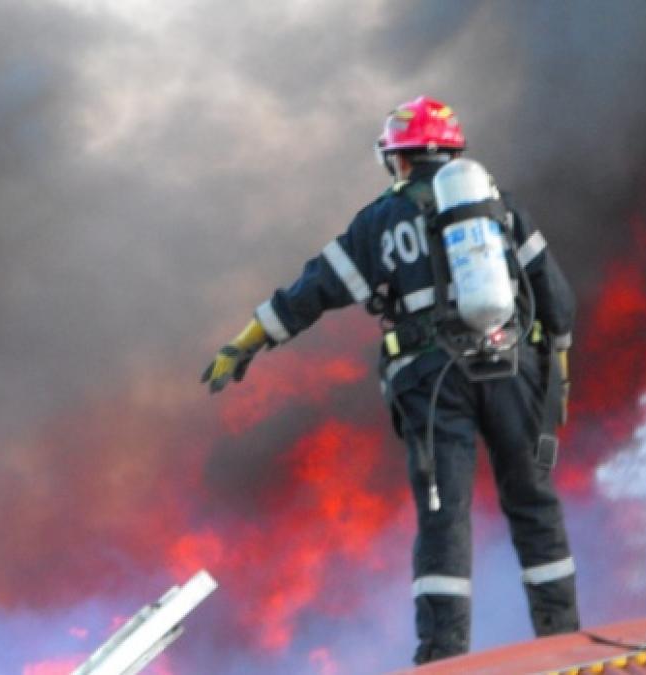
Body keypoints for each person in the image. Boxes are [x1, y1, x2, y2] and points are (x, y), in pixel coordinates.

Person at [201, 96, 580, 664]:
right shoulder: (497, 205)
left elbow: (309, 293)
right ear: (454, 152)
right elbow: (554, 296)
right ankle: (564, 636)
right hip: (511, 369)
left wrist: (246, 343)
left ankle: (442, 655)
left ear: (398, 160)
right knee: (534, 502)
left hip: (431, 382)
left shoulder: (379, 221)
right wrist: (558, 373)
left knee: (443, 514)